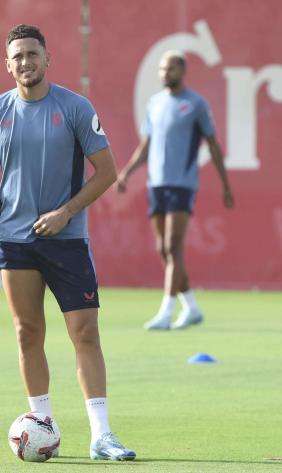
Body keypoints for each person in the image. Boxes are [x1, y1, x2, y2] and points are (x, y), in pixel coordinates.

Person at [0, 24, 135, 461]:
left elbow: (107, 173)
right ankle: (42, 423)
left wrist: (65, 213)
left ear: (47, 58)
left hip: (68, 241)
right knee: (27, 334)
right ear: (8, 64)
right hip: (15, 242)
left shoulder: (75, 108)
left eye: (32, 54)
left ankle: (102, 436)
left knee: (85, 333)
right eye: (17, 56)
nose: (25, 62)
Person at [117, 50, 234, 331]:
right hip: (156, 183)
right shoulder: (155, 103)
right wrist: (127, 172)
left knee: (173, 246)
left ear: (182, 71)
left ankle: (166, 312)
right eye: (161, 69)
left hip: (182, 183)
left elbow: (214, 146)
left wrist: (225, 185)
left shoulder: (195, 104)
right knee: (163, 249)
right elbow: (146, 145)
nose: (164, 74)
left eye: (170, 69)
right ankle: (191, 307)